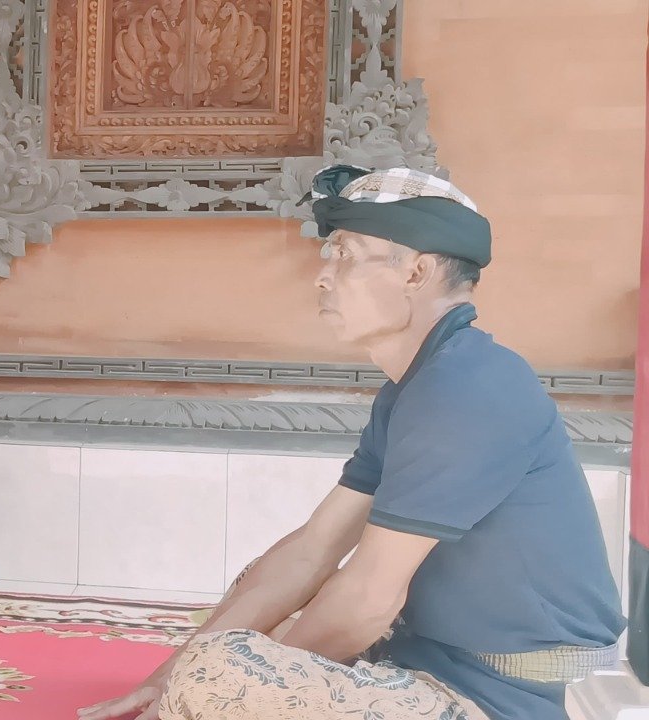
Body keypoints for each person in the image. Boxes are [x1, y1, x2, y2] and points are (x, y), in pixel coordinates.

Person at [79, 166, 625, 720]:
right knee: (252, 600)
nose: (323, 277)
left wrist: (250, 681)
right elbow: (312, 550)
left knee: (223, 673)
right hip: (416, 656)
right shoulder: (416, 386)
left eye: (345, 254)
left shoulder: (469, 387)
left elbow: (369, 600)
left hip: (489, 698)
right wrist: (165, 679)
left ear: (416, 272)